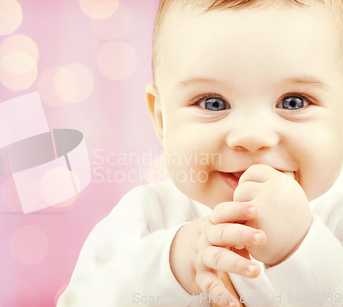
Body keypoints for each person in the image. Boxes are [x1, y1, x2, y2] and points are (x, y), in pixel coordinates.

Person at [57, 0, 343, 306]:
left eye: (293, 102)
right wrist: (172, 265)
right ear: (163, 120)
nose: (251, 137)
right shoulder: (149, 217)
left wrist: (301, 247)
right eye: (213, 103)